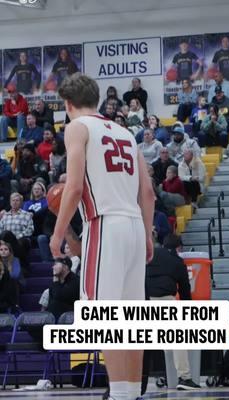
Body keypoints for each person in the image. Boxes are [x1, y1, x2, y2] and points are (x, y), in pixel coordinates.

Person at [50, 72, 155, 400]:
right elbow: (149, 192)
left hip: (105, 224)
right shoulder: (126, 132)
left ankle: (122, 395)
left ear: (68, 104)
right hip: (136, 225)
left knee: (106, 318)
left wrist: (58, 234)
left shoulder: (77, 128)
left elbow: (75, 186)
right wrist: (149, 237)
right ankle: (132, 394)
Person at [146, 233, 201, 390]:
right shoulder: (177, 262)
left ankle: (132, 378)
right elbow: (184, 291)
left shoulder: (150, 255)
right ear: (179, 248)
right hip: (164, 300)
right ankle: (184, 378)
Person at [0, 192, 34, 267]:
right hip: (6, 242)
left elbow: (30, 230)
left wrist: (16, 237)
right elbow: (1, 229)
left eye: (17, 200)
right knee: (6, 234)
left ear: (21, 203)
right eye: (13, 200)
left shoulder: (27, 215)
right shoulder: (5, 216)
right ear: (10, 202)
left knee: (21, 240)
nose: (14, 202)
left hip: (20, 241)